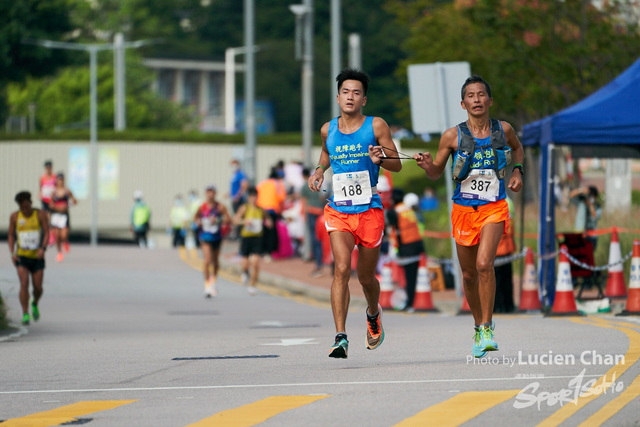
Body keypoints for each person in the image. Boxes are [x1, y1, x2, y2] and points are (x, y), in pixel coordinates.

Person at [413, 75, 523, 359]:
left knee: (485, 264)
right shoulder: (453, 136)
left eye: (481, 94)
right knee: (469, 273)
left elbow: (517, 148)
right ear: (463, 104)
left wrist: (517, 171)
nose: (477, 99)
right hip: (463, 210)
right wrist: (427, 166)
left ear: (489, 100)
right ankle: (477, 325)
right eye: (471, 96)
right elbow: (437, 171)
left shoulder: (504, 129)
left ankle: (487, 327)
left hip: (494, 206)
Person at [308, 68, 402, 359]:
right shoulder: (328, 129)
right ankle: (340, 337)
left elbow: (397, 164)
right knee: (340, 269)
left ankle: (373, 313)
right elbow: (327, 153)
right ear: (338, 97)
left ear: (364, 99)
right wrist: (320, 170)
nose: (351, 97)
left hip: (370, 210)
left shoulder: (376, 126)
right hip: (339, 210)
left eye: (356, 93)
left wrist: (381, 158)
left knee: (365, 278)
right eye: (346, 92)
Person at [8, 191, 49, 326]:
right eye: (22, 207)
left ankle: (35, 302)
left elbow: (47, 232)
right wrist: (12, 253)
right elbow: (11, 235)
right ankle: (25, 313)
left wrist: (42, 248)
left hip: (37, 257)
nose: (25, 210)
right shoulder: (15, 217)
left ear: (31, 203)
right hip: (22, 257)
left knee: (38, 288)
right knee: (24, 284)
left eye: (27, 206)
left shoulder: (39, 214)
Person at [387, 189, 425, 312]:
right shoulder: (407, 209)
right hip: (417, 245)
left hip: (405, 247)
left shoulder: (394, 212)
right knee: (411, 277)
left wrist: (396, 249)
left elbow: (396, 231)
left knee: (407, 277)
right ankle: (409, 303)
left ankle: (409, 303)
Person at [194, 184, 231, 298]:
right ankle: (207, 285)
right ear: (206, 193)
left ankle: (213, 280)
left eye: (212, 192)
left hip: (216, 236)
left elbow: (228, 219)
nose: (210, 194)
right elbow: (195, 218)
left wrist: (218, 219)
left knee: (215, 261)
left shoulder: (220, 207)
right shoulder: (202, 207)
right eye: (208, 192)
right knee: (207, 260)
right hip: (205, 236)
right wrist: (198, 222)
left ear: (215, 193)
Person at [234, 187, 272, 295]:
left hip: (257, 238)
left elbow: (268, 220)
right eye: (251, 197)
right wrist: (243, 221)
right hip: (247, 238)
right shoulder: (244, 208)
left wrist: (268, 223)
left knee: (255, 263)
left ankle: (253, 285)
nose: (253, 199)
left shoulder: (261, 210)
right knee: (245, 264)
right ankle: (245, 272)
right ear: (248, 198)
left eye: (255, 197)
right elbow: (235, 220)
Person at [301, 168, 327, 277]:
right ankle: (319, 262)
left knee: (314, 238)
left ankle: (317, 262)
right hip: (320, 212)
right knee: (320, 239)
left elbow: (304, 202)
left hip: (310, 211)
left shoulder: (304, 186)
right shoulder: (320, 184)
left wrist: (303, 214)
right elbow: (323, 198)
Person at [257, 168, 286, 257]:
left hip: (261, 209)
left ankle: (261, 251)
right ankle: (269, 252)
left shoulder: (262, 183)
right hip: (272, 209)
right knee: (271, 233)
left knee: (262, 231)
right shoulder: (278, 183)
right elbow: (281, 197)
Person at [494, 196, 516, 313]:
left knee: (495, 280)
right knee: (507, 279)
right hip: (507, 245)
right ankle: (509, 305)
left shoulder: (493, 200)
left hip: (496, 246)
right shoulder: (509, 202)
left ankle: (497, 306)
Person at [50, 173, 77, 262]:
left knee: (64, 234)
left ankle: (65, 241)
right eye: (59, 180)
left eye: (62, 180)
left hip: (64, 216)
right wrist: (55, 206)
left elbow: (74, 200)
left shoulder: (67, 191)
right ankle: (59, 253)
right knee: (57, 235)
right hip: (56, 215)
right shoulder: (54, 192)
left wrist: (68, 204)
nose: (60, 181)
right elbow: (50, 204)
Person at [571, 185, 602, 250]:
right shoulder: (582, 203)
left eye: (592, 196)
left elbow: (595, 216)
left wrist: (590, 205)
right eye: (589, 195)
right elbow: (571, 195)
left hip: (592, 235)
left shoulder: (598, 207)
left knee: (590, 254)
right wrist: (581, 190)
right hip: (581, 234)